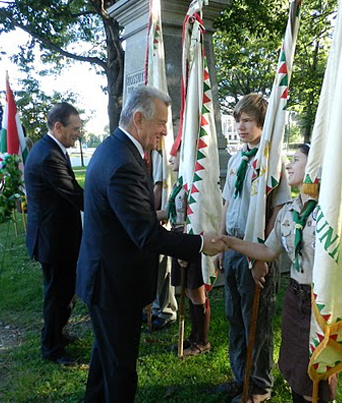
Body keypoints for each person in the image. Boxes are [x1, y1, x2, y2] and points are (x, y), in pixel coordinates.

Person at [76, 86, 226, 403]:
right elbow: (145, 235)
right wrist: (199, 244)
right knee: (120, 372)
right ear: (139, 118)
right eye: (160, 122)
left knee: (106, 362)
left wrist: (159, 212)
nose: (163, 131)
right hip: (112, 286)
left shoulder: (115, 149)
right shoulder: (124, 163)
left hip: (107, 280)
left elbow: (126, 215)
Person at [215, 144, 337, 403]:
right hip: (295, 299)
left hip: (320, 301)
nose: (289, 164)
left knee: (317, 374)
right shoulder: (288, 212)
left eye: (296, 159)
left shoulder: (330, 213)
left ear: (314, 166)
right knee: (294, 370)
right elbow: (268, 251)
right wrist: (228, 241)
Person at [214, 94, 290, 403]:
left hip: (255, 252)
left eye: (247, 121)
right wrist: (220, 244)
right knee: (235, 316)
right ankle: (240, 376)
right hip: (232, 247)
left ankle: (259, 385)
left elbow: (276, 211)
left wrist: (262, 258)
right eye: (238, 121)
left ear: (262, 123)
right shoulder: (236, 159)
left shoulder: (272, 161)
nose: (241, 127)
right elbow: (226, 203)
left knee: (256, 320)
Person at [25, 102, 84, 366]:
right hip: (53, 239)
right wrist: (108, 203)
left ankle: (57, 333)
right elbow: (73, 193)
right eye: (75, 129)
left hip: (59, 236)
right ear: (58, 127)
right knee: (57, 294)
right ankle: (52, 348)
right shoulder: (48, 155)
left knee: (64, 291)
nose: (78, 134)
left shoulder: (51, 149)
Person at [158, 152, 211, 356]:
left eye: (175, 154)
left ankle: (202, 340)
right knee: (188, 290)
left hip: (192, 240)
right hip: (179, 238)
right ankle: (194, 335)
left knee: (196, 290)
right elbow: (173, 212)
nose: (170, 159)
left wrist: (185, 251)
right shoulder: (181, 182)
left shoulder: (194, 183)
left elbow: (194, 215)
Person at [147, 149, 178, 331]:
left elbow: (159, 186)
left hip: (158, 217)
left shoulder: (160, 153)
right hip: (151, 216)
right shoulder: (144, 151)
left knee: (162, 266)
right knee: (153, 267)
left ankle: (166, 310)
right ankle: (156, 307)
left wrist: (149, 215)